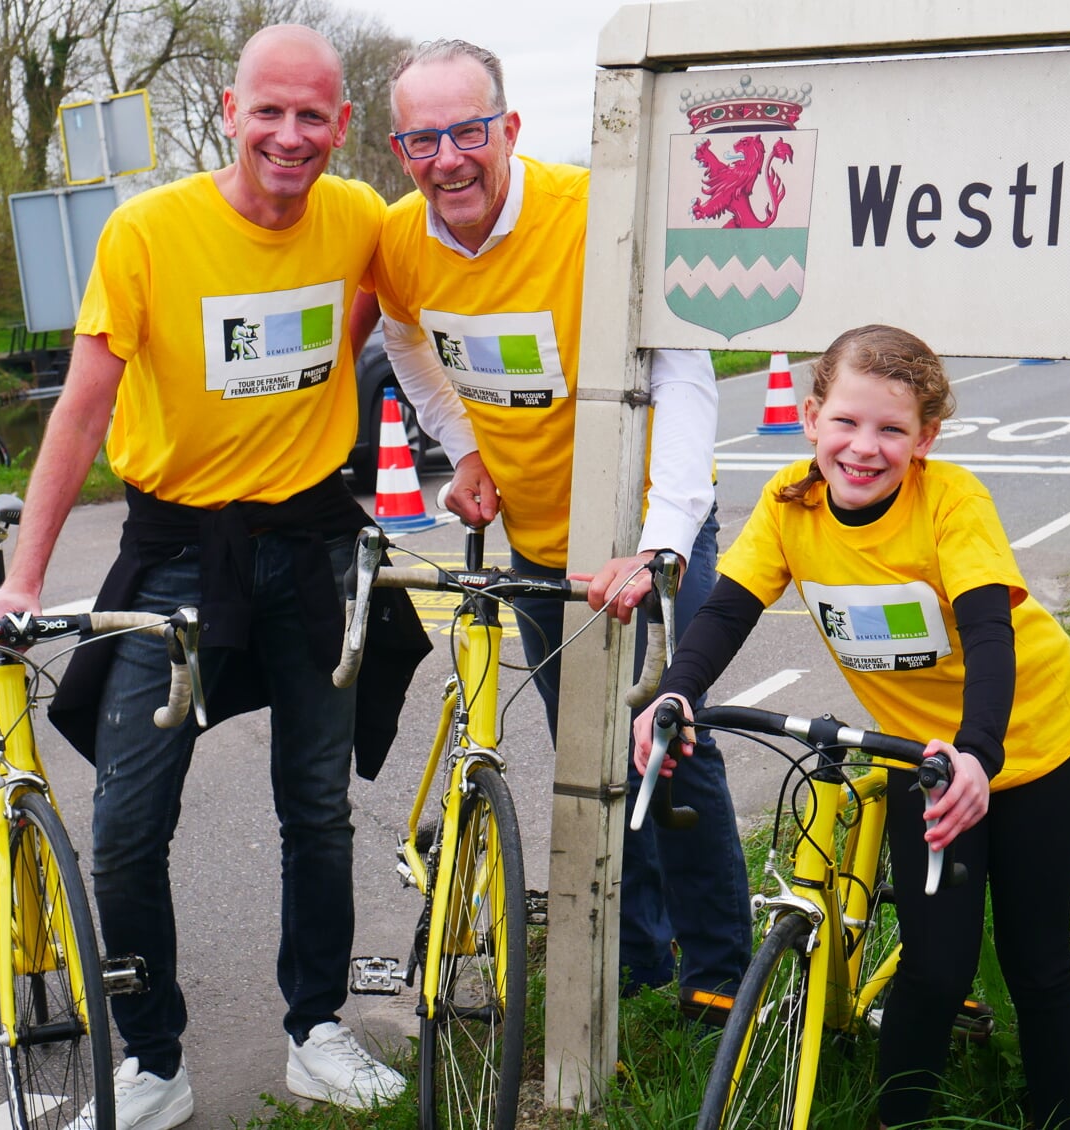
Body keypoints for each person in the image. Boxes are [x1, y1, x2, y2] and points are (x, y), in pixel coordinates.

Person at [0, 25, 427, 1130]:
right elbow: (82, 408)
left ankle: (316, 1026)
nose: (289, 134)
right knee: (129, 819)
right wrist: (22, 577)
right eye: (268, 111)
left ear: (341, 125)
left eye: (311, 115)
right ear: (231, 110)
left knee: (316, 807)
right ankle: (155, 1059)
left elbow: (394, 319)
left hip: (314, 543)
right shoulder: (147, 232)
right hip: (179, 551)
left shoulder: (360, 218)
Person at [367, 38, 751, 1021]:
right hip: (539, 537)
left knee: (666, 740)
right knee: (582, 751)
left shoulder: (592, 214)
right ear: (400, 147)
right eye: (423, 139)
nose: (448, 157)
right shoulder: (401, 244)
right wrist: (463, 449)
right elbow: (404, 340)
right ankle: (637, 956)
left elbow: (684, 368)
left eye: (468, 131)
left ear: (510, 129)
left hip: (643, 526)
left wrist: (663, 540)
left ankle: (720, 975)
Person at [633, 325, 1070, 1129]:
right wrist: (674, 695)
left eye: (892, 429)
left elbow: (990, 633)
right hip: (925, 764)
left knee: (1036, 962)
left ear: (926, 439)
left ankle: (1060, 1119)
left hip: (1028, 744)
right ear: (811, 416)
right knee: (934, 969)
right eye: (846, 422)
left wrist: (980, 755)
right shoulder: (789, 504)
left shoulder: (951, 501)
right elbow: (725, 613)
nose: (863, 448)